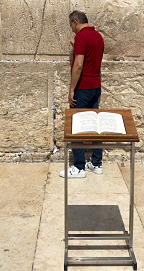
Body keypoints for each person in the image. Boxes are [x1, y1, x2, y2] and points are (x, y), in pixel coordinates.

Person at [60, 11, 105, 178]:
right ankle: (96, 163)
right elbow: (91, 57)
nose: (72, 30)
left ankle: (79, 168)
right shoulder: (98, 36)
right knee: (95, 126)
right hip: (95, 87)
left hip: (83, 88)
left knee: (76, 127)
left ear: (75, 21)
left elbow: (78, 65)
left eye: (71, 26)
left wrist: (72, 89)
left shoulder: (81, 37)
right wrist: (76, 47)